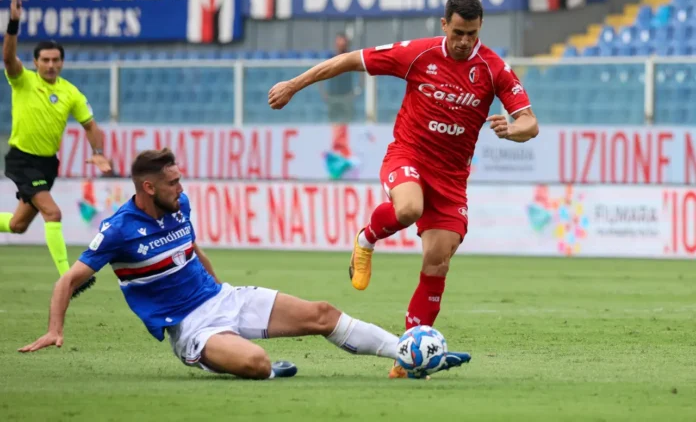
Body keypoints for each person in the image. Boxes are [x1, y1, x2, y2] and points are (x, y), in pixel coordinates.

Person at [18, 148, 472, 380]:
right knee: (256, 365)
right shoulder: (118, 229)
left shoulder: (179, 207)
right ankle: (261, 367)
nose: (182, 185)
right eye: (173, 181)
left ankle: (411, 355)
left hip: (223, 298)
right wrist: (56, 328)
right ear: (147, 187)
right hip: (192, 327)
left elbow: (193, 250)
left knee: (324, 314)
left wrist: (220, 288)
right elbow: (70, 279)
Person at [268, 0, 539, 378]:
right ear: (444, 25)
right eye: (458, 32)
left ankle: (406, 359)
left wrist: (513, 131)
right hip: (408, 156)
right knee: (409, 207)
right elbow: (349, 60)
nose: (465, 41)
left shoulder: (493, 68)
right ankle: (366, 239)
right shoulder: (417, 54)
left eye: (472, 34)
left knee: (438, 262)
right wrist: (294, 85)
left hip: (451, 179)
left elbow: (530, 122)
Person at [1, 0, 111, 297]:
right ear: (35, 62)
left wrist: (99, 153)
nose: (50, 65)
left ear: (62, 62)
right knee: (53, 213)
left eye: (56, 60)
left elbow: (90, 125)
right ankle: (69, 278)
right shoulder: (23, 80)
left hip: (47, 163)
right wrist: (13, 23)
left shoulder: (70, 92)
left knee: (19, 224)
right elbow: (8, 57)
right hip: (22, 159)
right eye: (45, 60)